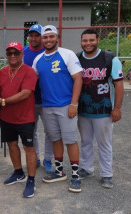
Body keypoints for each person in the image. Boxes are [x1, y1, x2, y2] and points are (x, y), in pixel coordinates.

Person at [32, 25, 83, 193]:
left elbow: (78, 79)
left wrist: (74, 104)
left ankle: (75, 175)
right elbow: (32, 81)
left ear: (57, 37)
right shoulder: (38, 59)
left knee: (70, 140)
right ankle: (59, 171)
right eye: (45, 37)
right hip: (47, 106)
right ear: (42, 39)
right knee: (55, 140)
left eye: (51, 36)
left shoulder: (67, 54)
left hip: (66, 105)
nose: (48, 40)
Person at [77, 28, 124, 188]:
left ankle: (106, 174)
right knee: (85, 141)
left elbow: (118, 85)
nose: (88, 43)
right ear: (81, 42)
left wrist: (117, 108)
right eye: (85, 40)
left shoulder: (109, 59)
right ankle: (86, 168)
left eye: (91, 40)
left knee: (104, 143)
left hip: (103, 110)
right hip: (83, 109)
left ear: (97, 40)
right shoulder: (77, 59)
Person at [0, 41, 38, 198]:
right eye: (9, 53)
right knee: (11, 144)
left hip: (25, 117)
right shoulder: (2, 71)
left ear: (22, 55)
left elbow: (25, 93)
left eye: (16, 53)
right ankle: (18, 172)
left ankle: (31, 180)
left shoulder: (29, 71)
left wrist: (2, 102)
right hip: (7, 117)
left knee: (28, 148)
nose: (12, 56)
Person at [23, 24, 53, 173]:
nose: (34, 38)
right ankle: (35, 158)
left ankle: (48, 159)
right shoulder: (22, 52)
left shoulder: (48, 51)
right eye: (31, 35)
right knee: (31, 131)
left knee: (50, 131)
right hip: (30, 100)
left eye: (37, 35)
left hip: (47, 99)